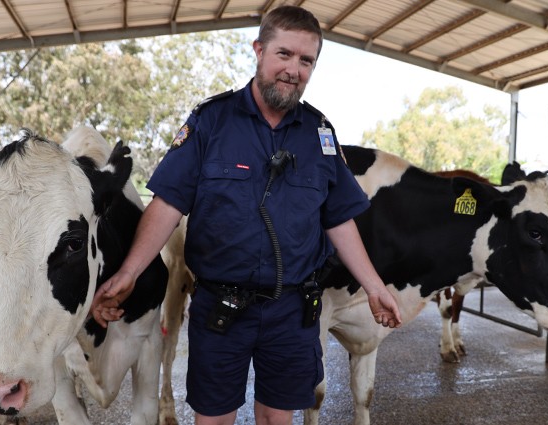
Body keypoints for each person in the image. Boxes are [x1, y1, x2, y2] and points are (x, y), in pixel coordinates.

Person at [91, 6, 401, 425]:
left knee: (278, 417)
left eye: (306, 60)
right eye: (284, 54)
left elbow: (339, 219)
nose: (293, 70)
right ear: (259, 50)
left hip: (292, 311)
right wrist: (128, 273)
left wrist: (375, 286)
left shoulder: (320, 135)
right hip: (220, 307)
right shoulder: (211, 121)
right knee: (214, 419)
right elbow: (166, 205)